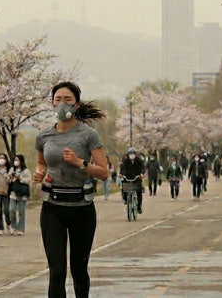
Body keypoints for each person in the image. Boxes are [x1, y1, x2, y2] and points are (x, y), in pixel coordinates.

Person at [33, 81, 109, 298]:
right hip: (52, 208)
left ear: (76, 105)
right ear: (51, 103)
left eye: (67, 99)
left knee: (79, 269)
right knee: (56, 270)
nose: (62, 104)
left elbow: (104, 172)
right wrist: (39, 172)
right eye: (58, 99)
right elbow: (41, 163)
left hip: (81, 207)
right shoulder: (44, 136)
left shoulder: (88, 135)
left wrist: (80, 163)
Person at [8, 154, 32, 236]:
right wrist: (10, 177)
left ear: (21, 161)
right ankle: (13, 226)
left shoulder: (26, 171)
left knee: (21, 212)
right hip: (13, 193)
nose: (16, 161)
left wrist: (20, 178)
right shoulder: (12, 169)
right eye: (15, 160)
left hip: (22, 194)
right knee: (12, 210)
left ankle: (21, 229)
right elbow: (8, 180)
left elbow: (28, 180)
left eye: (17, 160)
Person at [119, 147, 146, 213]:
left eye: (133, 153)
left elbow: (142, 167)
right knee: (125, 188)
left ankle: (139, 207)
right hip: (128, 177)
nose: (132, 155)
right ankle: (126, 200)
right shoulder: (126, 161)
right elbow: (123, 168)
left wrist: (142, 173)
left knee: (139, 191)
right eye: (130, 153)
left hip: (137, 177)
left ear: (135, 154)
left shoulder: (139, 160)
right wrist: (121, 174)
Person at [0, 153, 12, 235]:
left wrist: (8, 178)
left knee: (6, 210)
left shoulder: (9, 169)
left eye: (3, 158)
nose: (1, 159)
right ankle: (0, 228)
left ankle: (9, 224)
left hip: (6, 193)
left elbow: (11, 181)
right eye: (0, 158)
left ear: (6, 159)